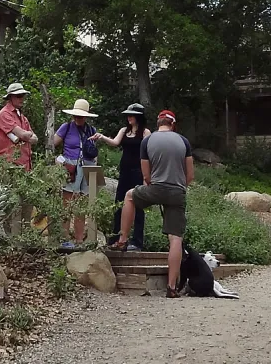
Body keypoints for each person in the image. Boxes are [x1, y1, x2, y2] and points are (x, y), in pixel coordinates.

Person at [110, 110, 194, 297]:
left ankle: (123, 239)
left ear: (158, 123)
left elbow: (145, 175)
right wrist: (179, 187)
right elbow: (190, 176)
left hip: (155, 188)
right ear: (173, 124)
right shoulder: (184, 142)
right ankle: (172, 287)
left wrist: (152, 187)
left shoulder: (147, 140)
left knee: (130, 196)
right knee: (175, 239)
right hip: (177, 192)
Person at [93, 103, 152, 251]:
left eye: (132, 115)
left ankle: (137, 241)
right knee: (119, 203)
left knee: (138, 205)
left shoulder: (145, 133)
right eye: (128, 115)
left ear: (139, 116)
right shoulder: (124, 130)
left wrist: (147, 176)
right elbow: (115, 142)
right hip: (124, 171)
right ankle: (116, 238)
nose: (129, 117)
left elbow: (149, 153)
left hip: (138, 171)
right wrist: (102, 137)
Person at [54, 98, 99, 251]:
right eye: (76, 116)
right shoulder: (66, 128)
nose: (78, 118)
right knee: (67, 203)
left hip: (87, 166)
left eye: (81, 116)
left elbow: (93, 151)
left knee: (82, 205)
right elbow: (52, 143)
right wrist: (58, 160)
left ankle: (80, 240)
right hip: (70, 167)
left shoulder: (91, 130)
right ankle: (64, 238)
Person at [0, 82, 38, 171]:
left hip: (24, 165)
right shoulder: (4, 114)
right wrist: (26, 135)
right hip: (10, 166)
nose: (22, 99)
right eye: (18, 96)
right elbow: (24, 135)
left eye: (23, 96)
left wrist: (25, 135)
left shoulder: (22, 117)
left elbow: (35, 139)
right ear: (10, 97)